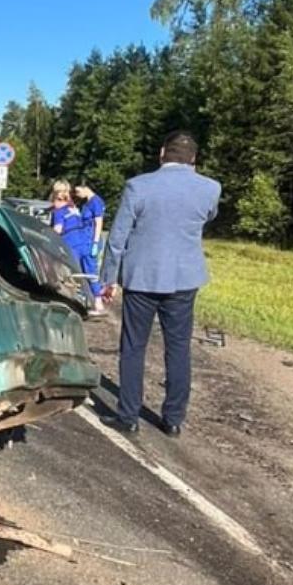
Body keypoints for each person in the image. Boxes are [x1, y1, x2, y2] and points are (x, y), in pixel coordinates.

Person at [99, 131, 221, 437]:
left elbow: (117, 239)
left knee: (133, 347)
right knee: (178, 348)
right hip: (184, 278)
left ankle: (128, 416)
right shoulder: (210, 188)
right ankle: (173, 419)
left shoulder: (138, 186)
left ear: (161, 153)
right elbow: (207, 217)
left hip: (142, 277)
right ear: (193, 158)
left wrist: (108, 279)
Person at [73, 183, 108, 315]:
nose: (77, 194)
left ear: (85, 187)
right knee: (82, 270)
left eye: (78, 191)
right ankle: (87, 301)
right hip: (84, 240)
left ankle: (98, 303)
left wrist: (95, 242)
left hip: (90, 241)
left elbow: (99, 223)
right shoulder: (86, 203)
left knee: (90, 270)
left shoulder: (96, 202)